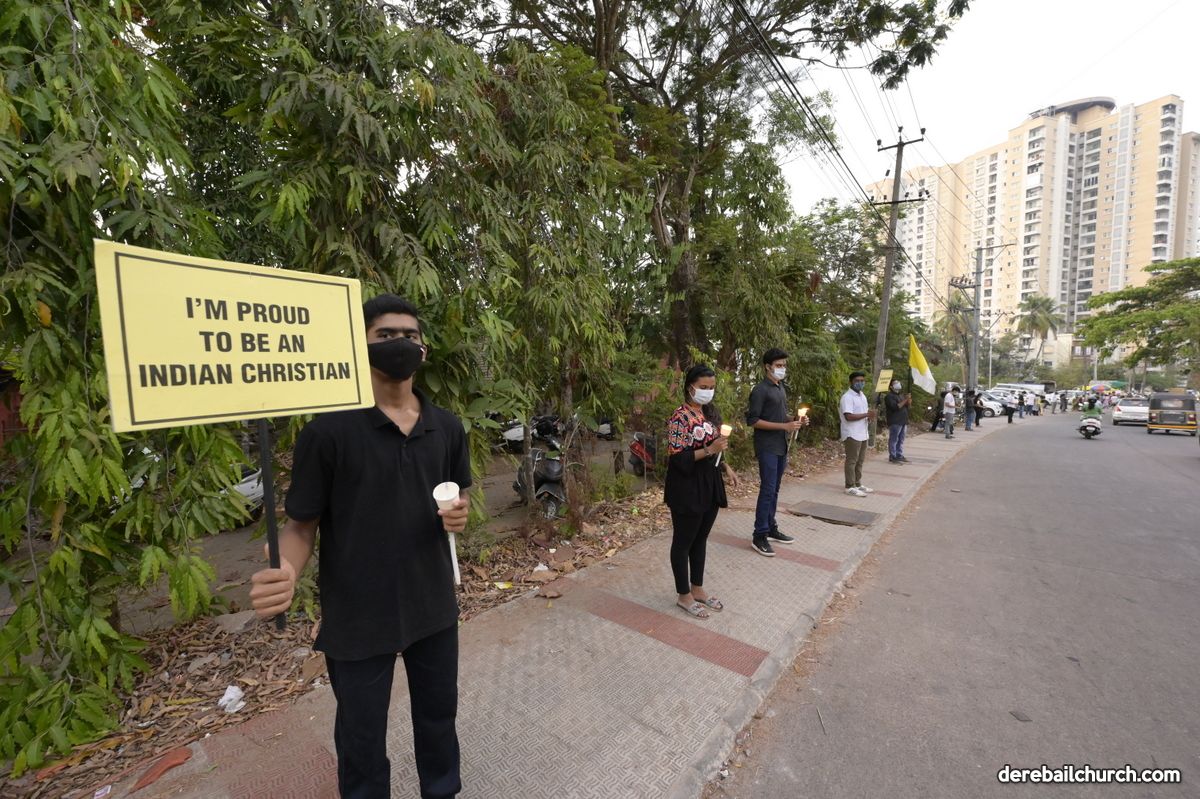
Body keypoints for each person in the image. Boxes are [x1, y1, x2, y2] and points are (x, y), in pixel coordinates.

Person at [250, 294, 470, 799]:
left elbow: (459, 495)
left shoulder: (447, 427)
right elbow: (300, 527)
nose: (399, 343)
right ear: (360, 346)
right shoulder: (327, 433)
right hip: (357, 613)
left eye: (409, 335)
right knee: (361, 737)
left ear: (424, 349)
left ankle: (442, 791)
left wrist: (459, 513)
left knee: (439, 717)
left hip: (433, 603)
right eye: (385, 335)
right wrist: (285, 571)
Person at [664, 365, 740, 618]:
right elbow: (677, 458)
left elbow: (715, 447)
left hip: (710, 483)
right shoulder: (680, 417)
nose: (708, 392)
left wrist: (726, 466)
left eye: (712, 387)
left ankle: (697, 588)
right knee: (683, 541)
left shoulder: (708, 413)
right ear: (690, 387)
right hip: (687, 486)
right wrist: (710, 450)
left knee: (700, 538)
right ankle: (683, 595)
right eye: (703, 387)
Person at [745, 348, 808, 557]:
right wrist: (784, 426)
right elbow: (753, 420)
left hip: (781, 446)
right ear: (767, 366)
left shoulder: (780, 387)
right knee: (767, 489)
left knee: (775, 490)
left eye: (784, 365)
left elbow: (780, 416)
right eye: (779, 365)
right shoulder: (760, 390)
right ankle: (759, 535)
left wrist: (795, 420)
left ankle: (770, 527)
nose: (782, 369)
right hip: (767, 447)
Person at [839, 371, 875, 497]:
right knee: (852, 460)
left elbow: (864, 413)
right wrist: (866, 414)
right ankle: (849, 486)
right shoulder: (847, 397)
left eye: (862, 381)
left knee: (860, 461)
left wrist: (869, 417)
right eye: (857, 381)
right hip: (852, 433)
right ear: (851, 382)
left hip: (863, 433)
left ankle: (857, 483)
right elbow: (848, 416)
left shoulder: (862, 396)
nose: (860, 383)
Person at [883, 378, 911, 464]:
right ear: (891, 386)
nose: (898, 384)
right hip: (895, 421)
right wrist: (905, 400)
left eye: (898, 382)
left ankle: (899, 455)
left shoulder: (901, 395)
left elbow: (907, 407)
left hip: (903, 421)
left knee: (901, 440)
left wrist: (908, 401)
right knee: (894, 439)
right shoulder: (889, 396)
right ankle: (892, 456)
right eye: (895, 383)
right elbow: (895, 407)